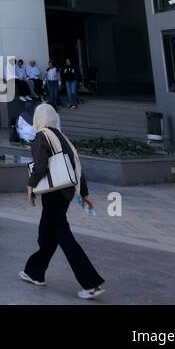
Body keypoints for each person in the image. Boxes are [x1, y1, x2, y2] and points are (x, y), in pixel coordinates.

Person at [20, 103, 105, 299]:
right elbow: (77, 167)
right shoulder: (62, 137)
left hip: (53, 193)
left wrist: (30, 186)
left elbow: (40, 166)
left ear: (38, 119)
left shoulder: (42, 137)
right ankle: (34, 272)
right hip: (65, 193)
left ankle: (91, 283)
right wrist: (83, 194)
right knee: (46, 235)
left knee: (63, 237)